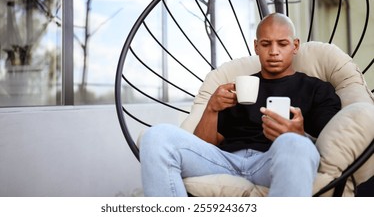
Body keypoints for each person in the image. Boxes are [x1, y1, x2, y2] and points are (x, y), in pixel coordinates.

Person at [140, 13, 341, 197]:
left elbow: (329, 141)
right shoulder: (238, 87)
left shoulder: (317, 89)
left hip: (271, 161)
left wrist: (299, 134)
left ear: (295, 46)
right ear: (256, 47)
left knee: (296, 144)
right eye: (265, 44)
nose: (273, 51)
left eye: (282, 44)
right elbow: (204, 146)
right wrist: (212, 109)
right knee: (156, 136)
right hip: (225, 160)